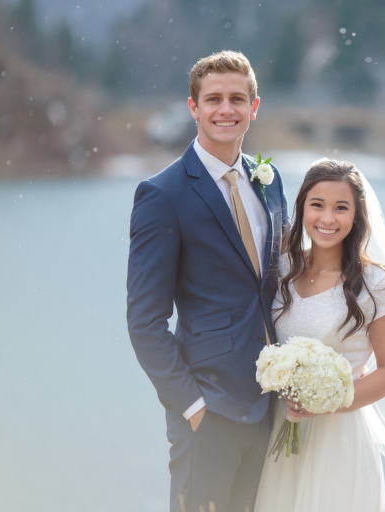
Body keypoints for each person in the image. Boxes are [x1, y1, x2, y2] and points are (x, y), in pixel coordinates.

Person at [126, 50, 288, 512]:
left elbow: (275, 286)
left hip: (270, 408)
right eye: (213, 98)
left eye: (237, 98)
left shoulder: (269, 179)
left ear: (254, 107)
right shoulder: (163, 195)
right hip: (209, 409)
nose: (226, 109)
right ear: (193, 107)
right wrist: (193, 407)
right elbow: (144, 322)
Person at [253, 159, 385, 512]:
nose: (327, 219)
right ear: (302, 208)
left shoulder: (375, 283)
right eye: (317, 205)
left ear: (356, 216)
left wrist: (325, 403)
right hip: (281, 424)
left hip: (341, 434)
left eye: (341, 208)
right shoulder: (282, 269)